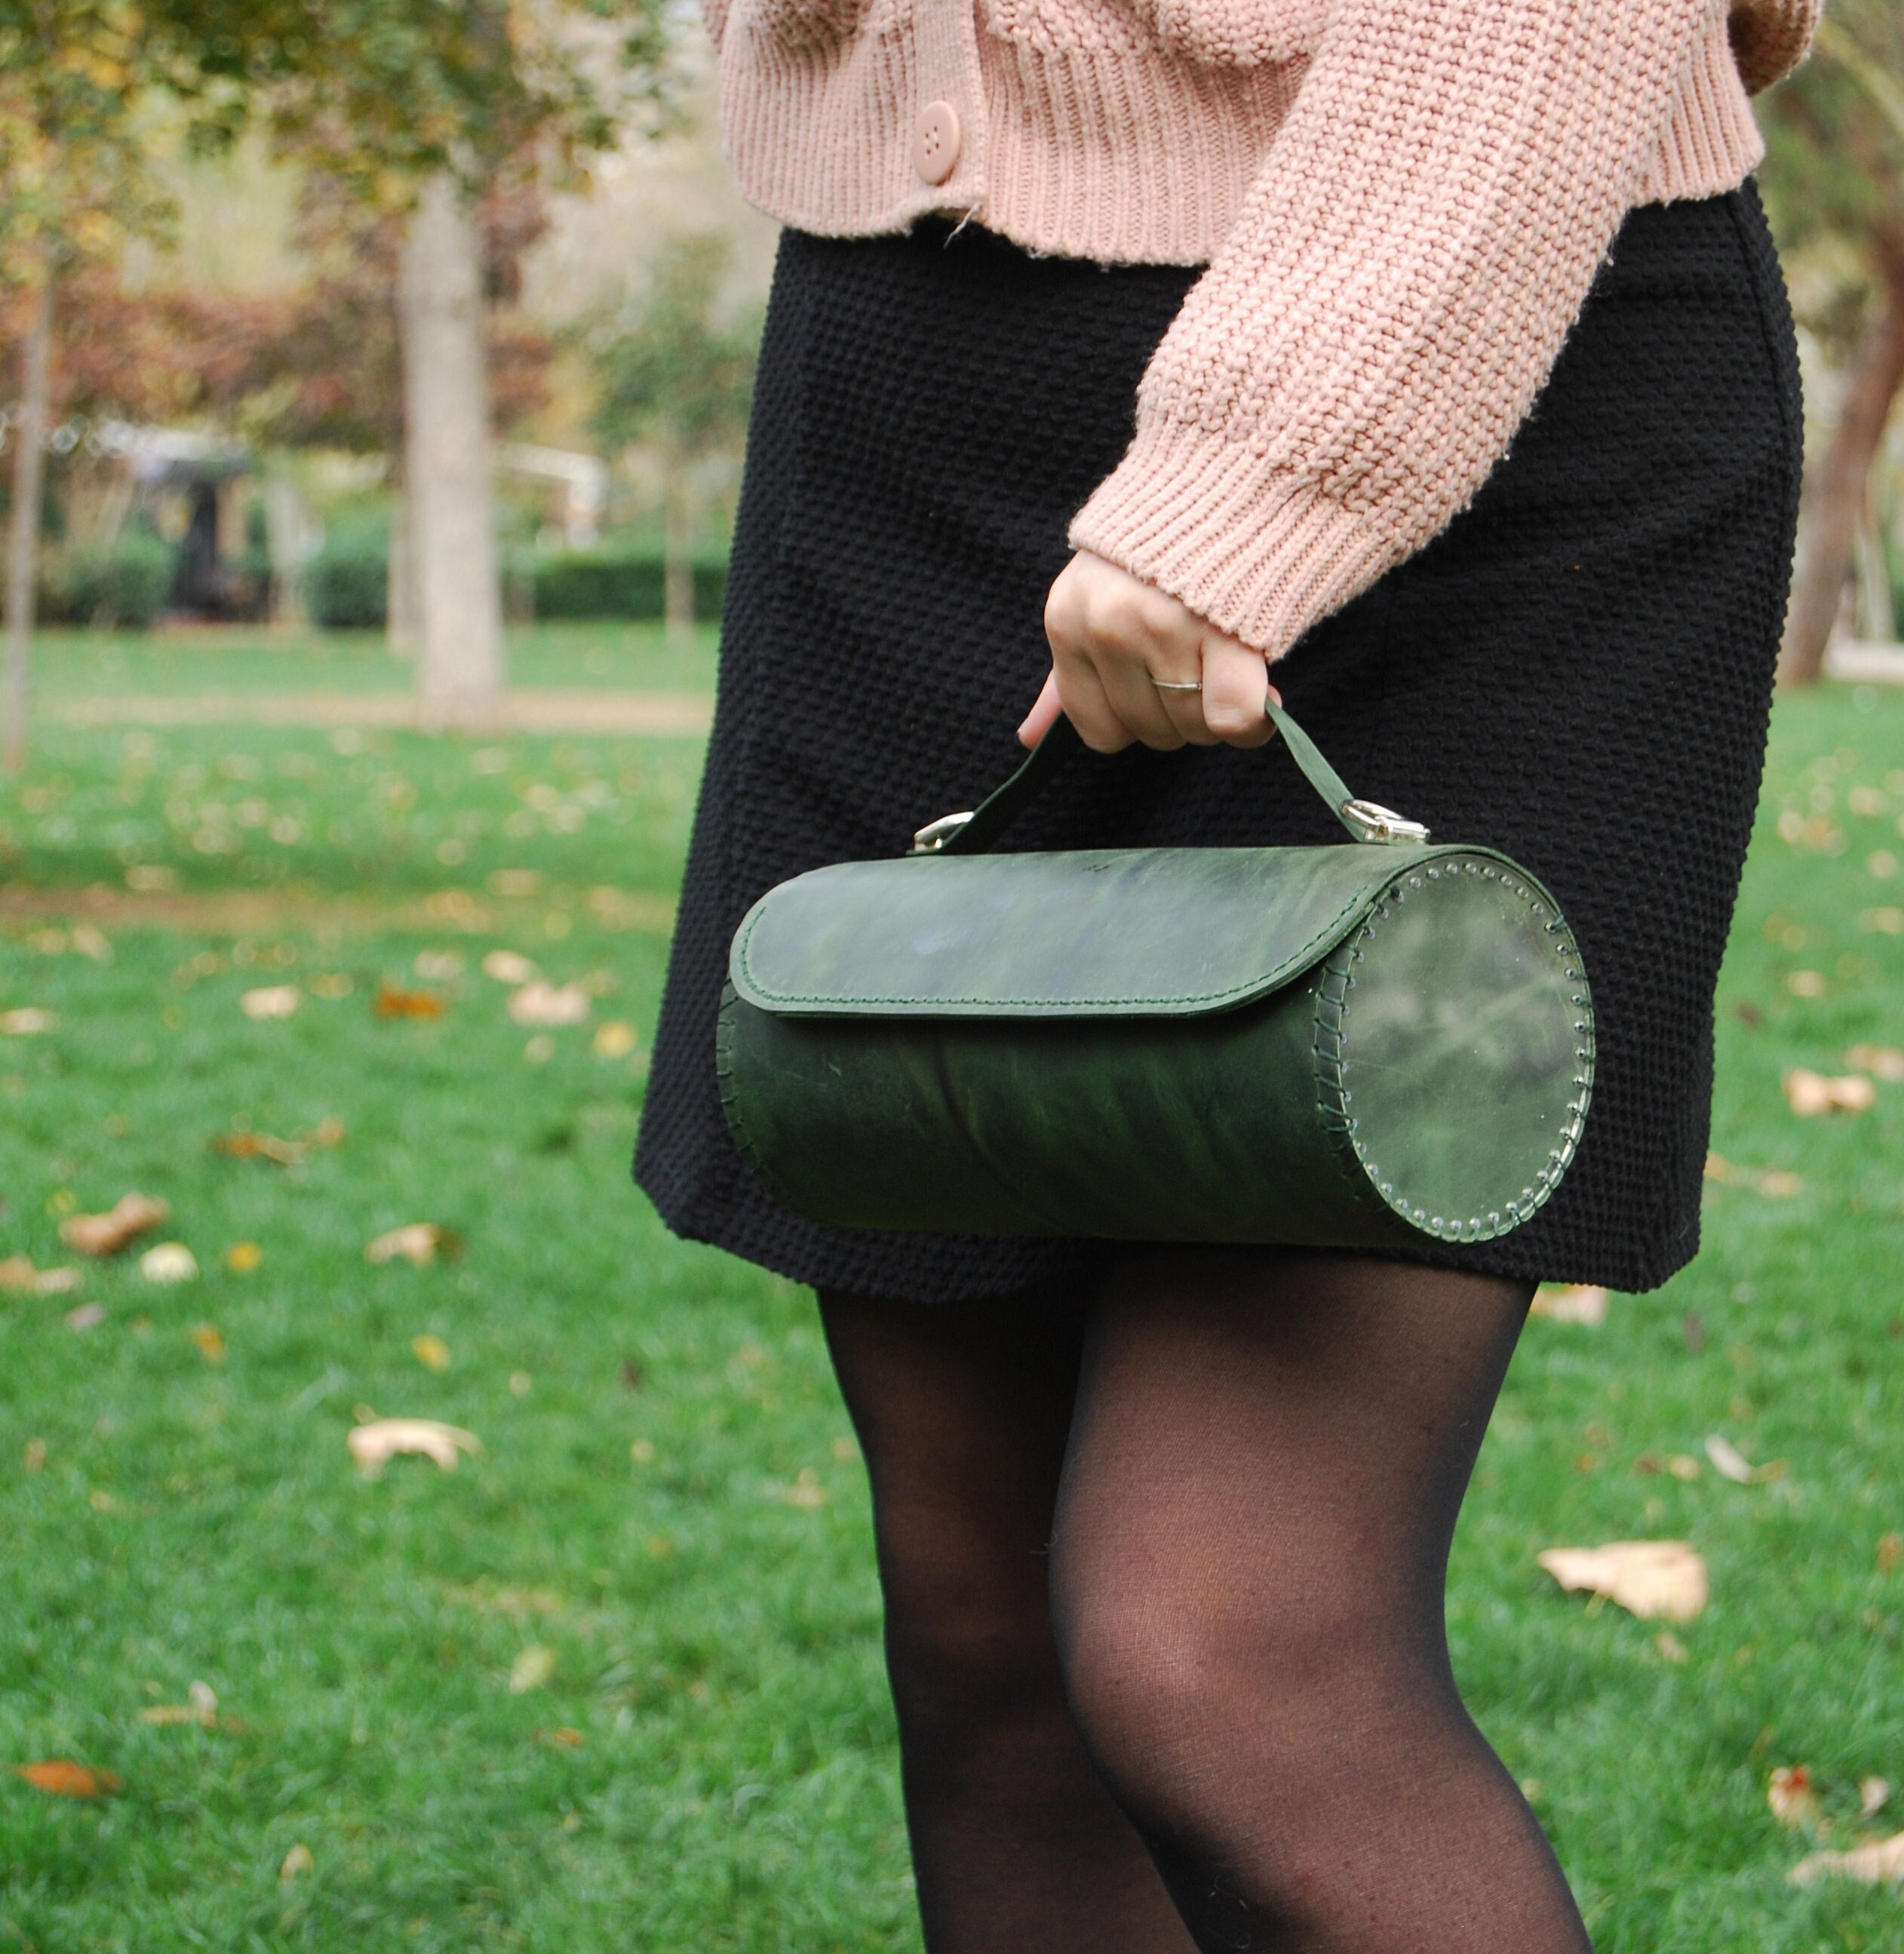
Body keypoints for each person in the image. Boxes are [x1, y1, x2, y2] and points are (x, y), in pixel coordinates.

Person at [637, 0, 1816, 1943]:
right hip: (911, 379)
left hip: (1466, 331)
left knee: (1228, 1665)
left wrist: (1266, 473)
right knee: (984, 1642)